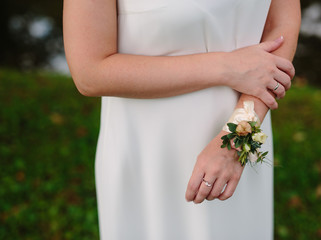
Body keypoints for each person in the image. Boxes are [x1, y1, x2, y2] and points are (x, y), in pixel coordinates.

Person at [63, 0, 300, 239]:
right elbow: (90, 73)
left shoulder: (238, 139)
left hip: (237, 150)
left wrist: (239, 134)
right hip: (152, 153)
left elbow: (280, 24)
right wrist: (227, 66)